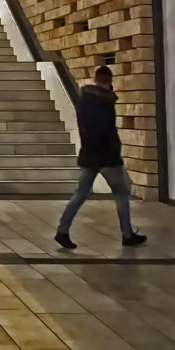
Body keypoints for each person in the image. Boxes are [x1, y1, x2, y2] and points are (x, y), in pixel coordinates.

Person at [53, 66, 147, 249]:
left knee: (80, 194)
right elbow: (106, 130)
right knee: (121, 193)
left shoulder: (84, 100)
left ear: (95, 79)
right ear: (109, 81)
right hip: (107, 157)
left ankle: (62, 230)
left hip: (88, 155)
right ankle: (127, 235)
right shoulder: (105, 102)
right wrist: (114, 151)